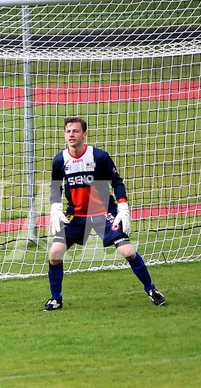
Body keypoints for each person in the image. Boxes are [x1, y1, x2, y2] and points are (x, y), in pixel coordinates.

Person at [44, 117, 166, 311]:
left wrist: (123, 207)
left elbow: (116, 182)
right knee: (55, 253)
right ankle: (55, 299)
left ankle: (152, 290)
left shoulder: (99, 157)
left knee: (128, 252)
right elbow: (55, 187)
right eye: (68, 131)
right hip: (76, 215)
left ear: (84, 134)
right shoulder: (60, 160)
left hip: (104, 213)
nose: (71, 135)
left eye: (76, 131)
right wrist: (55, 208)